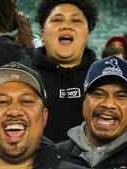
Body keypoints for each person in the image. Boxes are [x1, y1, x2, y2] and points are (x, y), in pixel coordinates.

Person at [31, 0, 99, 142]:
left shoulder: (107, 77)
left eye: (76, 20)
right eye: (57, 20)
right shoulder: (23, 79)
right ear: (42, 33)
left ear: (88, 33)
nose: (66, 26)